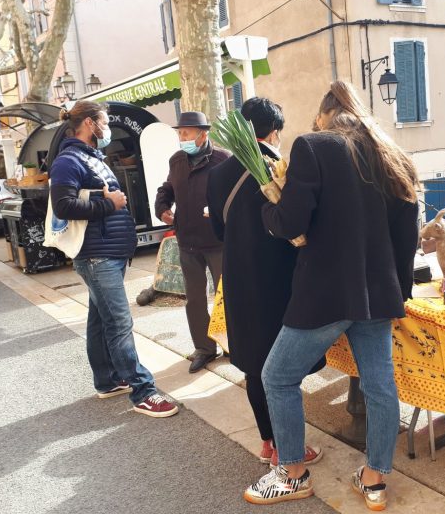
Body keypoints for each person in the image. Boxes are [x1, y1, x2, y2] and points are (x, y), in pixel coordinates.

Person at [243, 81, 419, 510]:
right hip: (378, 293)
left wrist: (268, 204)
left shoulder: (314, 146)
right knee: (380, 386)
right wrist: (398, 292)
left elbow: (288, 222)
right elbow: (407, 233)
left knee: (277, 376)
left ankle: (291, 473)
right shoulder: (391, 153)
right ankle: (375, 479)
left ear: (324, 115)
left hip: (325, 293)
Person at [206, 97, 324, 467]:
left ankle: (268, 442)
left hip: (239, 277)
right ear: (274, 131)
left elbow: (218, 229)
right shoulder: (279, 167)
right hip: (281, 280)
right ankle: (293, 449)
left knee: (256, 363)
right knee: (283, 370)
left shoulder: (219, 172)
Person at [50, 100, 177, 418]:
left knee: (99, 319)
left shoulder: (92, 157)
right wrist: (109, 205)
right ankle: (143, 391)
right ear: (90, 124)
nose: (107, 128)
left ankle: (107, 380)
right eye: (105, 122)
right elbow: (63, 206)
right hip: (98, 256)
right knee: (120, 323)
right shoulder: (68, 160)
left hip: (108, 252)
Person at [154, 111, 230, 373]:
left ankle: (233, 346)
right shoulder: (177, 160)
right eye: (179, 133)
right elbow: (167, 188)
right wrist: (162, 206)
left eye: (185, 133)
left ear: (202, 134)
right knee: (195, 299)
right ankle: (204, 348)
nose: (181, 138)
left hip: (218, 241)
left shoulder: (223, 159)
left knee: (227, 298)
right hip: (187, 241)